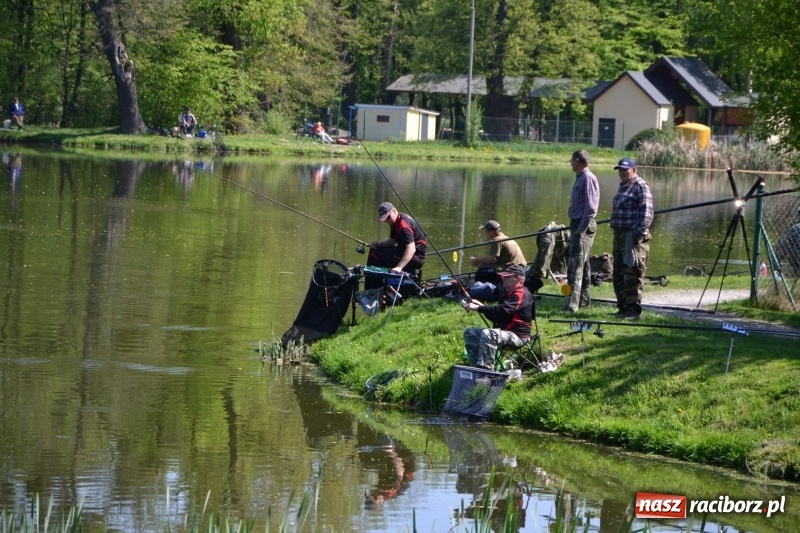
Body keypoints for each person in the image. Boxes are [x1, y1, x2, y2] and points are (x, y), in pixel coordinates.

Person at [462, 264, 533, 371]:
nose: (503, 278)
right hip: (504, 334)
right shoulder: (507, 294)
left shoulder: (521, 293)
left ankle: (486, 372)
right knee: (470, 332)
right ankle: (476, 368)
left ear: (519, 279)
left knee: (489, 334)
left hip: (518, 337)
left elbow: (501, 311)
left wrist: (479, 308)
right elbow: (497, 317)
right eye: (503, 276)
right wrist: (481, 307)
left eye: (507, 276)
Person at [610, 157, 654, 319]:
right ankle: (623, 307)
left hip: (632, 237)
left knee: (633, 273)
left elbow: (647, 214)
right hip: (619, 236)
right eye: (620, 170)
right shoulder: (623, 186)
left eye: (625, 169)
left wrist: (636, 235)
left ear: (634, 170)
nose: (622, 172)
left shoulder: (640, 186)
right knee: (618, 273)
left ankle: (633, 310)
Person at [563, 149, 599, 313]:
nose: (570, 163)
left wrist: (581, 229)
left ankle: (572, 305)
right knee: (583, 264)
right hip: (577, 224)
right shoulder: (581, 178)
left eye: (571, 160)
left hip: (582, 226)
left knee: (575, 266)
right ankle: (584, 300)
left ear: (578, 161)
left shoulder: (588, 178)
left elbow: (591, 208)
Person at [366, 202, 427, 289]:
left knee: (375, 254)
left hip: (416, 257)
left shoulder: (403, 225)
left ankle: (373, 289)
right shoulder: (395, 221)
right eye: (384, 219)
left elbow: (411, 249)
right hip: (403, 251)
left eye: (388, 217)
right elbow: (392, 241)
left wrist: (399, 267)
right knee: (375, 250)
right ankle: (379, 287)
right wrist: (379, 244)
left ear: (394, 211)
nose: (386, 221)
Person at [467, 220, 527, 300]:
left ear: (490, 232)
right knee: (486, 265)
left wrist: (475, 260)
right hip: (520, 268)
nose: (485, 234)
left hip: (510, 270)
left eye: (486, 231)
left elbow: (489, 259)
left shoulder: (496, 240)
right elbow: (497, 258)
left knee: (482, 269)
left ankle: (484, 289)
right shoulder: (507, 238)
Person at [775, 208, 800, 277]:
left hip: (795, 257)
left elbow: (788, 243)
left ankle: (777, 271)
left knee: (781, 242)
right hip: (796, 256)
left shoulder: (794, 228)